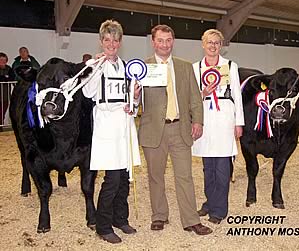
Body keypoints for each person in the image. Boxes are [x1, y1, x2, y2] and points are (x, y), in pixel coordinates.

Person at [138, 24, 212, 235]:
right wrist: (134, 95)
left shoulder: (184, 67)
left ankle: (191, 220)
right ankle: (159, 215)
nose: (164, 45)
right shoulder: (142, 67)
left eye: (168, 40)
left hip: (180, 128)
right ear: (153, 42)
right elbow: (135, 102)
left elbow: (195, 99)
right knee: (155, 176)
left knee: (185, 176)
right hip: (154, 130)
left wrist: (197, 121)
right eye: (160, 40)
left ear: (173, 42)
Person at [82, 19, 141, 244]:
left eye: (115, 40)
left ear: (120, 42)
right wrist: (95, 67)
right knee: (112, 179)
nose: (111, 44)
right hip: (106, 124)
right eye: (107, 40)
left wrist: (134, 98)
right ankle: (103, 225)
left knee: (125, 177)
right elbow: (88, 93)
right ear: (101, 41)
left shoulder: (127, 66)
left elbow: (133, 101)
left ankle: (120, 218)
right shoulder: (94, 65)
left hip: (125, 125)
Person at [192, 29, 244, 224]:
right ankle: (210, 202)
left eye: (216, 43)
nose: (213, 46)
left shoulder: (230, 66)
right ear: (203, 44)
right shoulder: (195, 67)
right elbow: (191, 97)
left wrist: (239, 122)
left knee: (223, 167)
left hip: (224, 118)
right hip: (205, 117)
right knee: (208, 168)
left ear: (221, 45)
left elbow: (237, 96)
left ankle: (219, 210)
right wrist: (203, 92)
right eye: (209, 42)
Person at [0, 52, 15, 124]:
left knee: (2, 113)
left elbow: (12, 78)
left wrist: (5, 78)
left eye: (4, 60)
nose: (2, 62)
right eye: (1, 60)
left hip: (5, 96)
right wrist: (5, 77)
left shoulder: (9, 68)